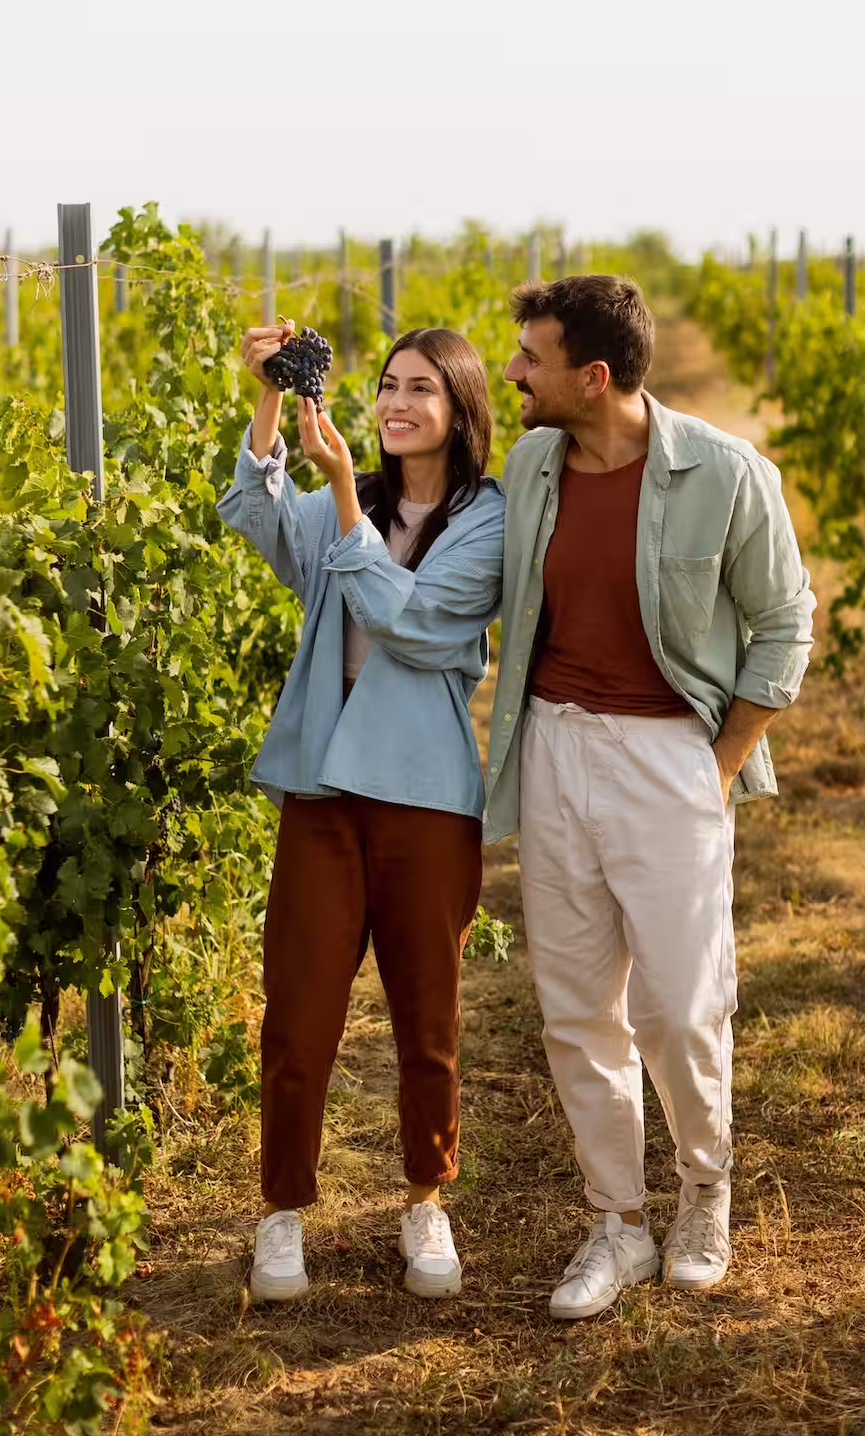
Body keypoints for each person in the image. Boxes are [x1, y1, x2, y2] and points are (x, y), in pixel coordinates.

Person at [484, 275, 815, 1320]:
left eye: (530, 358)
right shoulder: (533, 462)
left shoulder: (724, 473)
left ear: (593, 376)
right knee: (579, 1007)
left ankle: (705, 1192)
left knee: (678, 1004)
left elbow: (785, 624)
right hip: (553, 746)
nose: (513, 374)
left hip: (670, 754)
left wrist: (719, 761)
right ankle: (616, 1223)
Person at [217, 323, 504, 1304]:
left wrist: (341, 495)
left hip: (425, 796)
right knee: (298, 1018)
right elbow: (252, 515)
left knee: (429, 1019)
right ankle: (281, 1215)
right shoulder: (361, 499)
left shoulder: (484, 521)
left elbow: (412, 622)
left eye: (421, 388)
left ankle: (427, 1199)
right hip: (324, 790)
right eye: (385, 385)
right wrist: (265, 393)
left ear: (460, 410)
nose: (395, 403)